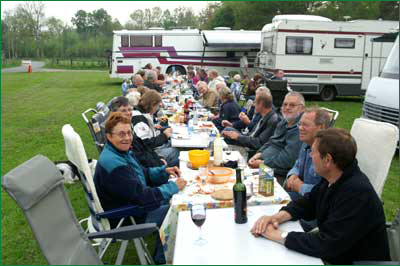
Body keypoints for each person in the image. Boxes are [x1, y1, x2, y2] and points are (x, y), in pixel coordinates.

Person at [251, 128, 390, 264]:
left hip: (353, 260)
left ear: (327, 160)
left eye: (313, 152)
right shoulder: (334, 176)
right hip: (336, 254)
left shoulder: (357, 193)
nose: (310, 156)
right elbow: (309, 203)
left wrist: (278, 235)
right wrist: (277, 217)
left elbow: (328, 244)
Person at [94, 112, 187, 264]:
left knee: (175, 200)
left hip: (132, 206)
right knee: (178, 210)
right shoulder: (114, 163)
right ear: (109, 137)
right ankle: (162, 258)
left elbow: (142, 173)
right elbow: (143, 197)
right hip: (126, 216)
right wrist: (172, 187)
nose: (127, 137)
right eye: (121, 134)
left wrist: (164, 171)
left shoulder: (120, 152)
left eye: (129, 133)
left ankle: (163, 249)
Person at [284, 107, 331, 231]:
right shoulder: (306, 143)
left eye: (305, 125)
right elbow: (297, 164)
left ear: (321, 128)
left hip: (314, 214)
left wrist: (300, 187)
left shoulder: (327, 154)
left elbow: (327, 193)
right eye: (300, 124)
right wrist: (292, 175)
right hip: (301, 200)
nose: (300, 128)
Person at [248, 91, 305, 179]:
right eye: (285, 104)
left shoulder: (300, 129)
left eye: (292, 105)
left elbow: (287, 160)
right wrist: (258, 154)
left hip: (277, 172)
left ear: (302, 109)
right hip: (264, 164)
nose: (287, 108)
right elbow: (271, 140)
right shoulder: (284, 121)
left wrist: (262, 163)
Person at [109, 96, 167, 167]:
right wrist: (159, 165)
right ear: (114, 113)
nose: (128, 113)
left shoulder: (129, 126)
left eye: (130, 109)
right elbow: (138, 159)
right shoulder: (121, 133)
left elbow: (144, 149)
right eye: (123, 110)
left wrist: (158, 159)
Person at [223, 87, 279, 152]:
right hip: (249, 138)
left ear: (261, 104)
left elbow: (258, 143)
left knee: (226, 135)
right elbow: (252, 133)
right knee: (227, 132)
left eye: (255, 102)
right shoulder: (264, 114)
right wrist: (233, 127)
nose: (253, 104)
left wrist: (238, 137)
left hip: (251, 148)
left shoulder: (272, 120)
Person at [132, 90, 179, 166]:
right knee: (175, 151)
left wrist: (161, 130)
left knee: (172, 143)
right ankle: (166, 171)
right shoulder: (139, 119)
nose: (157, 109)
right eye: (157, 106)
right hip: (149, 153)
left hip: (151, 149)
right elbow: (146, 144)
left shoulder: (143, 114)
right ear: (152, 105)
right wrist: (164, 135)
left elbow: (148, 134)